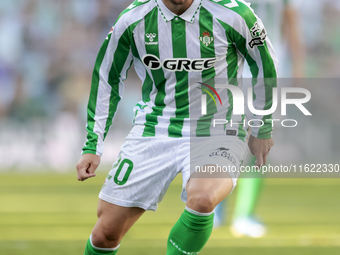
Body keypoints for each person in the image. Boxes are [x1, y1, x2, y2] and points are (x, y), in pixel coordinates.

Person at [76, 0, 277, 254]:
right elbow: (107, 76)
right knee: (105, 234)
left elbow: (265, 65)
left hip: (217, 128)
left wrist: (263, 126)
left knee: (202, 199)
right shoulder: (133, 19)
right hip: (154, 130)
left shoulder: (234, 13)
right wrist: (93, 144)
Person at [213, 0, 305, 238]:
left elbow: (289, 20)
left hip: (268, 69)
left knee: (260, 139)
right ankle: (216, 209)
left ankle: (243, 215)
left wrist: (297, 66)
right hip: (231, 69)